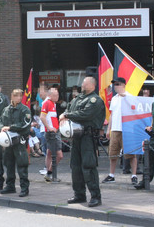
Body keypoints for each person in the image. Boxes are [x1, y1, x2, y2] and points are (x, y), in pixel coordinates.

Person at [59, 76, 105, 207]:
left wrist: (67, 115)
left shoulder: (95, 100)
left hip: (88, 137)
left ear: (92, 85)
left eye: (85, 83)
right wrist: (66, 114)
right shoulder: (78, 98)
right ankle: (79, 194)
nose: (82, 85)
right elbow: (68, 108)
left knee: (88, 166)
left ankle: (96, 196)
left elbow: (86, 114)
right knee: (75, 167)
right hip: (76, 136)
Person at [104, 77, 138, 185]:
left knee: (131, 153)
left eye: (118, 84)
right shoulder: (114, 98)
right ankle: (111, 174)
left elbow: (135, 111)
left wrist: (126, 98)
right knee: (113, 153)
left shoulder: (130, 97)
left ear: (123, 85)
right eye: (115, 84)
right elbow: (112, 115)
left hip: (127, 129)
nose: (116, 86)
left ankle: (134, 175)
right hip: (115, 128)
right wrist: (109, 129)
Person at [0, 89, 32, 197]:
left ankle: (24, 188)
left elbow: (25, 124)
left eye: (20, 96)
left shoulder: (24, 109)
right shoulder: (6, 110)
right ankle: (10, 186)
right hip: (8, 142)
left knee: (22, 164)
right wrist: (1, 128)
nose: (19, 98)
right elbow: (0, 121)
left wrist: (11, 127)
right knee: (9, 163)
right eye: (16, 96)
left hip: (19, 141)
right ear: (12, 96)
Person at [40, 88, 63, 182]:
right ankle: (50, 173)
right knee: (59, 155)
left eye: (57, 95)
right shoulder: (48, 103)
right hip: (52, 133)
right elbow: (42, 116)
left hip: (53, 131)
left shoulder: (53, 104)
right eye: (54, 95)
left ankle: (49, 174)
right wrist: (49, 127)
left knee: (49, 152)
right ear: (49, 95)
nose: (56, 97)